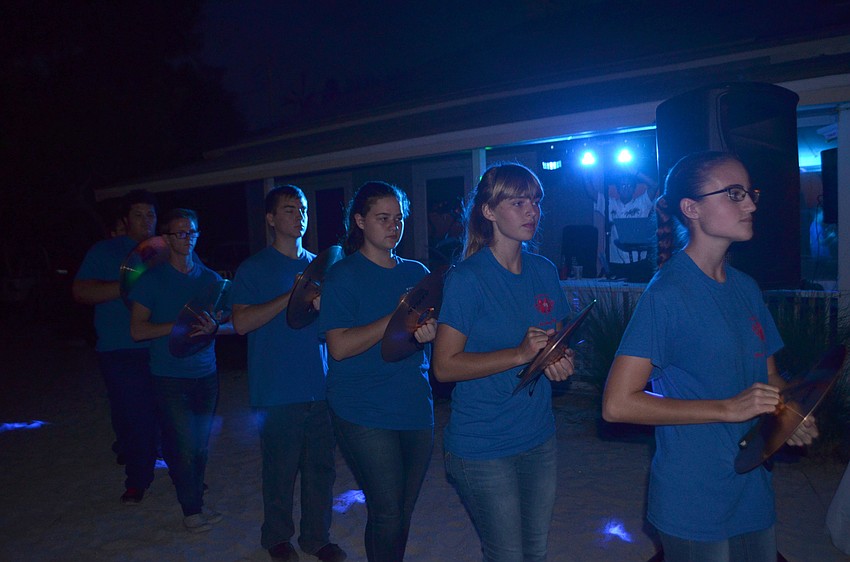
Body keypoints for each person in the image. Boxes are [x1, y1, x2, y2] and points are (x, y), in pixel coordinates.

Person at [601, 151, 818, 562]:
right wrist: (725, 408)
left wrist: (792, 413)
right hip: (694, 494)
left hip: (753, 481)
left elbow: (769, 375)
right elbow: (616, 404)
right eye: (734, 194)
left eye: (750, 193)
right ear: (691, 209)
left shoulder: (746, 288)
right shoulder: (666, 294)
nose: (751, 204)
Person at [432, 162, 576, 562]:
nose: (532, 211)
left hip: (538, 435)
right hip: (482, 443)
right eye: (518, 201)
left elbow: (556, 341)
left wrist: (560, 360)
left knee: (536, 550)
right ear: (489, 211)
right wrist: (518, 354)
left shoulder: (544, 270)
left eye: (535, 201)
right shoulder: (467, 279)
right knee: (508, 554)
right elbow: (444, 367)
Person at [318, 181, 436, 562]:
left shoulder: (418, 272)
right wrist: (396, 317)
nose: (393, 226)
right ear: (359, 221)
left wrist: (426, 333)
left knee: (403, 510)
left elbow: (422, 337)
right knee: (386, 511)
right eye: (382, 218)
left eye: (398, 218)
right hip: (362, 407)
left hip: (414, 402)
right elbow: (339, 346)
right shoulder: (343, 275)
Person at [231, 185, 346, 562]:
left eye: (303, 209)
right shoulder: (254, 268)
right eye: (289, 210)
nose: (299, 216)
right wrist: (293, 295)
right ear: (270, 219)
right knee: (280, 471)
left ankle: (317, 537)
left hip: (320, 384)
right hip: (277, 388)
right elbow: (243, 323)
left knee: (321, 471)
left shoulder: (322, 265)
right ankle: (277, 537)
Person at [129, 208, 234, 533]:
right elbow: (138, 331)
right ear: (167, 238)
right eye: (180, 233)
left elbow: (227, 319)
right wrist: (177, 327)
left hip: (205, 372)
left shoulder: (210, 280)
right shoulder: (152, 279)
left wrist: (215, 324)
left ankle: (193, 497)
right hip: (168, 375)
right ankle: (192, 510)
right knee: (184, 443)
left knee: (199, 443)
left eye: (192, 232)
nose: (187, 238)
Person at [72, 189, 159, 504]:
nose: (145, 221)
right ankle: (137, 479)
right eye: (138, 214)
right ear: (125, 219)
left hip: (160, 346)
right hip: (119, 350)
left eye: (150, 214)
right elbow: (81, 292)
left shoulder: (165, 250)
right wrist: (127, 285)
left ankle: (183, 476)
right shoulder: (105, 251)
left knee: (170, 415)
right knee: (133, 417)